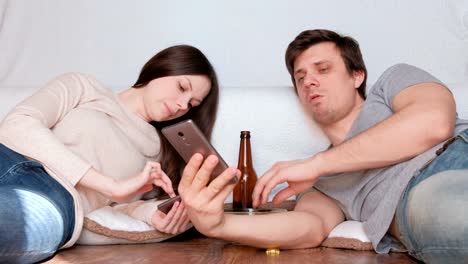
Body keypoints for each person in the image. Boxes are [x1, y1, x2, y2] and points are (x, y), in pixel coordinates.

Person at [178, 29, 468, 264]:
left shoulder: (392, 82)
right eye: (300, 77)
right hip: (420, 197)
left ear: (357, 76)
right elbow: (309, 228)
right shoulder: (319, 182)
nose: (309, 82)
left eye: (323, 69)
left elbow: (434, 122)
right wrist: (216, 225)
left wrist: (317, 164)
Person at [0, 44, 220, 263]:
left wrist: (154, 216)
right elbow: (18, 123)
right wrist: (110, 185)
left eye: (192, 104)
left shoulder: (161, 155)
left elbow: (120, 209)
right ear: (162, 67)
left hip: (55, 199)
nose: (182, 105)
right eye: (182, 87)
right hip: (9, 159)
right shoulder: (84, 87)